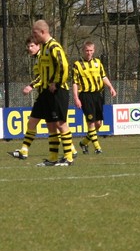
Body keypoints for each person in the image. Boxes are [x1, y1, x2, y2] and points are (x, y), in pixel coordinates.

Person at [11, 20, 74, 167]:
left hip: (58, 91)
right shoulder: (44, 48)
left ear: (42, 32)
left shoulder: (54, 46)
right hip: (46, 92)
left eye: (35, 33)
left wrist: (56, 83)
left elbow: (64, 66)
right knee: (50, 124)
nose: (33, 36)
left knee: (60, 123)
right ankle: (52, 158)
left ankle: (69, 157)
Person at [71, 40, 117, 154]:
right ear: (83, 51)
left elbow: (103, 76)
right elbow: (75, 82)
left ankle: (84, 142)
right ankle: (97, 148)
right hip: (85, 95)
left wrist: (110, 87)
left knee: (98, 124)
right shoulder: (77, 64)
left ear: (94, 50)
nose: (89, 53)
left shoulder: (98, 62)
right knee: (90, 122)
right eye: (87, 50)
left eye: (91, 50)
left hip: (97, 95)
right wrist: (76, 97)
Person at [8, 36, 45, 160]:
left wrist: (31, 86)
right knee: (32, 123)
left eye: (32, 46)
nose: (29, 48)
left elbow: (44, 75)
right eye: (28, 46)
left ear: (39, 46)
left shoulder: (42, 57)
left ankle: (70, 150)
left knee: (58, 125)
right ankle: (24, 150)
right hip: (42, 95)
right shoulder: (36, 59)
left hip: (49, 95)